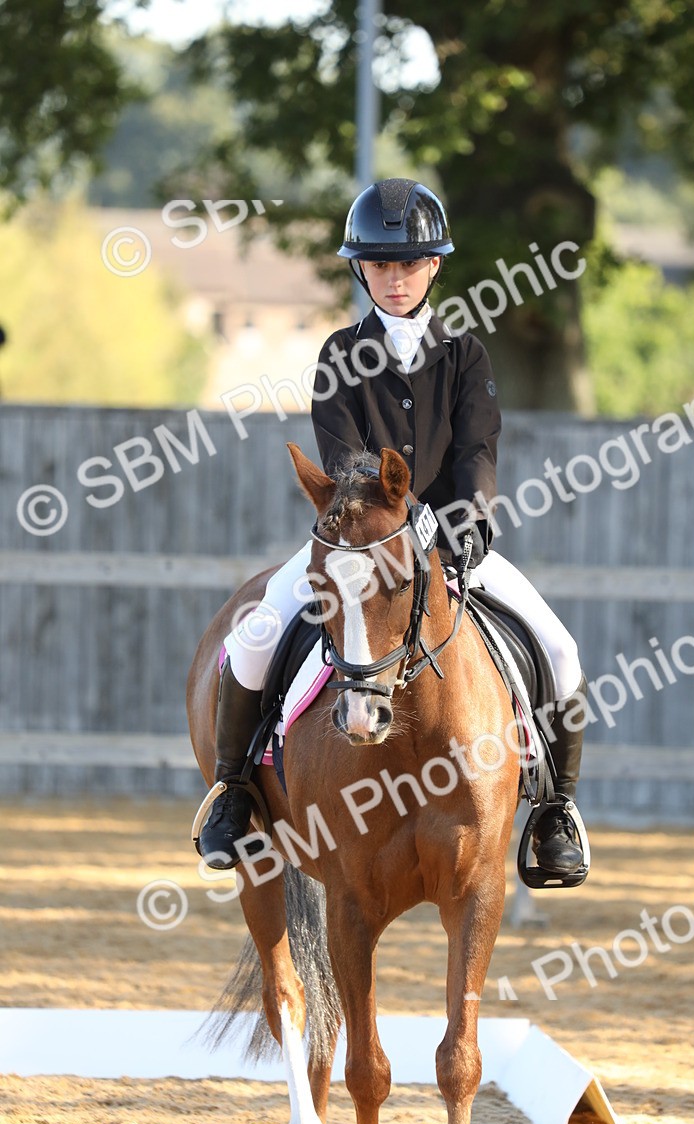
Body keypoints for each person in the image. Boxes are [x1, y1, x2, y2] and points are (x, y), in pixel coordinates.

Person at [198, 178, 587, 881]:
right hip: (360, 542)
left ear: (434, 266)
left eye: (408, 264)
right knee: (252, 638)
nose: (395, 278)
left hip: (452, 544)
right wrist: (380, 520)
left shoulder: (466, 355)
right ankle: (233, 791)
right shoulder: (339, 355)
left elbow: (477, 449)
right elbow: (344, 457)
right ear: (362, 270)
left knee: (559, 648)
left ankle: (554, 810)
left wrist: (470, 519)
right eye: (380, 265)